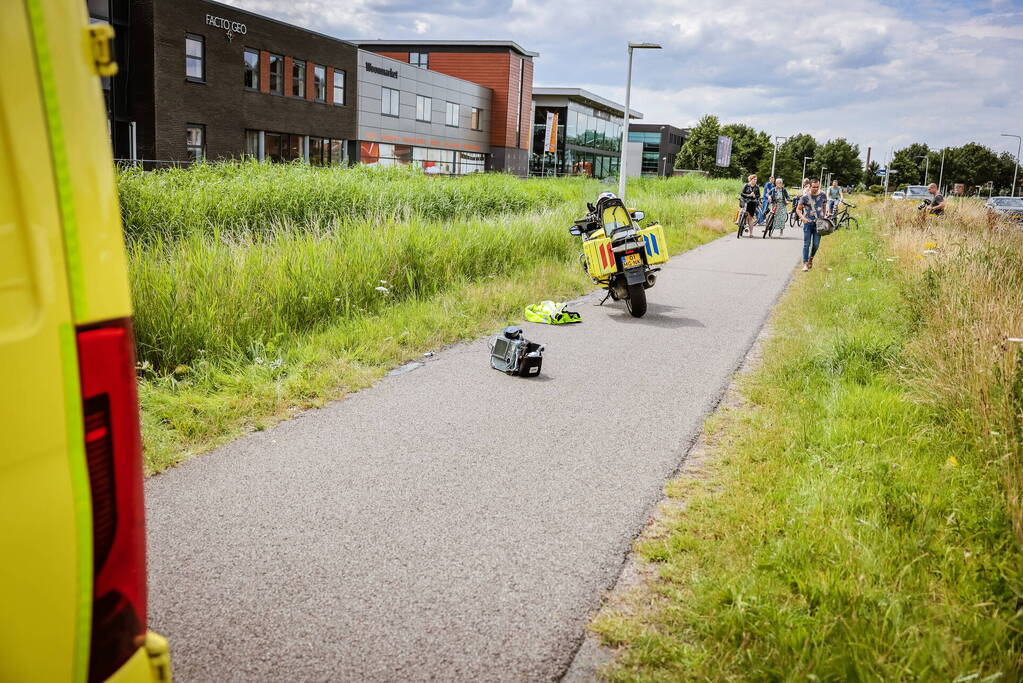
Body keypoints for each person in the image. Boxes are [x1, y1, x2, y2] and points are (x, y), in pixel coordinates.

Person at [796, 179, 827, 271]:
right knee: (807, 244)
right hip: (808, 223)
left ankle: (811, 259)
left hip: (819, 224)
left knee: (816, 245)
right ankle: (805, 264)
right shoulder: (805, 197)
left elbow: (824, 207)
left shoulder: (823, 195)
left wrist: (823, 217)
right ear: (810, 186)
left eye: (817, 187)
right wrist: (803, 218)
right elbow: (798, 209)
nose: (815, 189)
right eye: (814, 187)